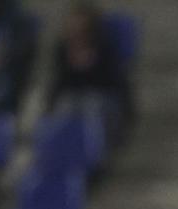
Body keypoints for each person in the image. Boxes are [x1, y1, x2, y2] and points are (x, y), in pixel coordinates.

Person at [44, 1, 135, 130]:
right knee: (65, 106)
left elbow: (114, 82)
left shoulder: (104, 48)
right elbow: (59, 82)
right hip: (73, 97)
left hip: (101, 97)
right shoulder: (63, 49)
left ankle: (91, 144)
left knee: (91, 107)